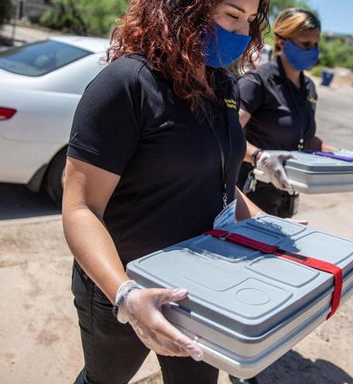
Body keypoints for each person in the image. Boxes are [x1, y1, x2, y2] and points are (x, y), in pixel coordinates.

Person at [61, 1, 269, 383]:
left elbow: (218, 180)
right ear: (183, 9)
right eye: (232, 15)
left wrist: (264, 225)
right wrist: (125, 295)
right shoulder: (127, 83)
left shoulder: (223, 85)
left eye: (251, 21)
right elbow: (80, 208)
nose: (242, 33)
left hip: (200, 288)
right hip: (121, 285)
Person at [236, 8, 339, 218]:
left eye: (316, 44)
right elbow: (227, 135)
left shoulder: (308, 87)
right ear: (282, 40)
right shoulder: (258, 82)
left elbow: (302, 137)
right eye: (305, 43)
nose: (313, 50)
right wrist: (260, 157)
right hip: (251, 192)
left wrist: (336, 153)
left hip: (287, 190)